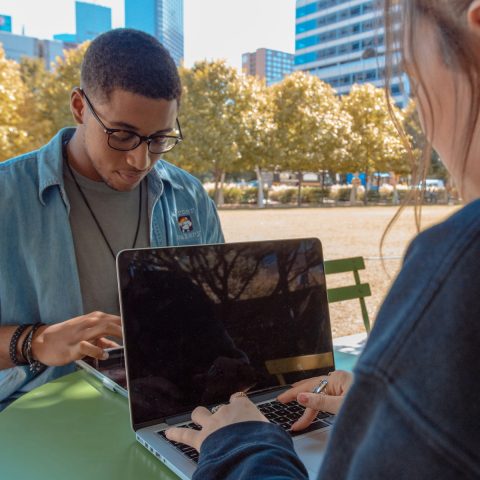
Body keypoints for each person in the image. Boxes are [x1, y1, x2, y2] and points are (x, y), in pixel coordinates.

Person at [166, 1, 480, 478]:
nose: (418, 113)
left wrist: (241, 444)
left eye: (411, 73)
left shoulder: (460, 264)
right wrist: (386, 405)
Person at [0, 29, 224, 410]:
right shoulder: (7, 197)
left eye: (159, 139)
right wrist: (36, 342)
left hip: (171, 405)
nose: (141, 161)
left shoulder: (189, 196)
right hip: (38, 414)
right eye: (122, 135)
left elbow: (217, 313)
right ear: (79, 107)